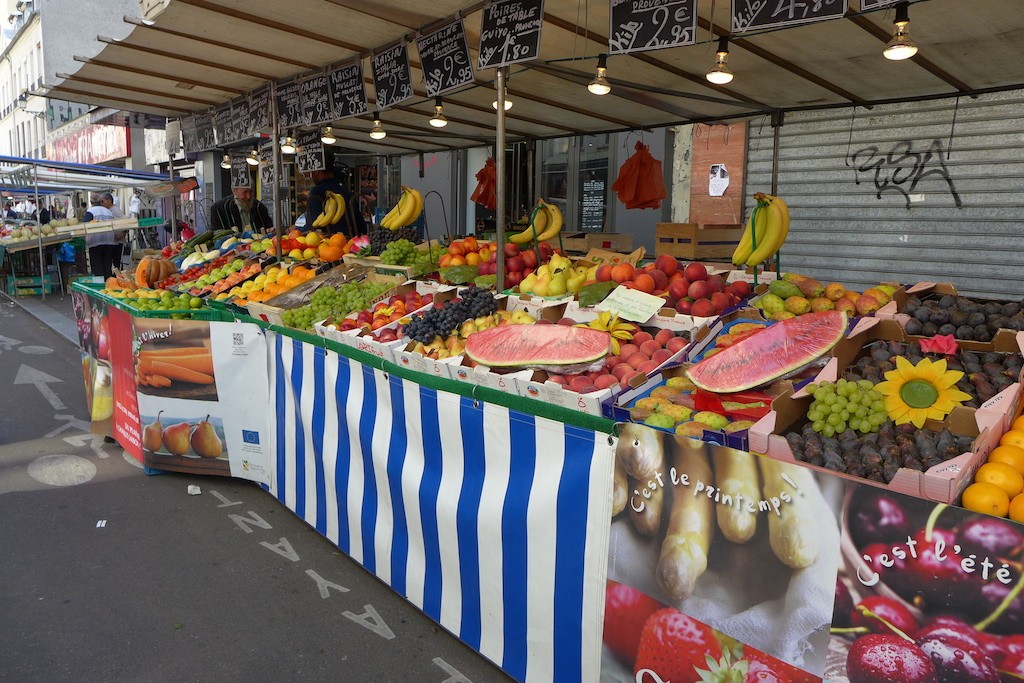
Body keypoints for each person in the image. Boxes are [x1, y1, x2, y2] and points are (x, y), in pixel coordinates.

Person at [304, 157, 365, 236]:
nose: (311, 176)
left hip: (326, 245)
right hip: (348, 244)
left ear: (318, 171)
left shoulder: (316, 193)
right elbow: (362, 228)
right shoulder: (347, 193)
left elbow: (312, 226)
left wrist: (297, 229)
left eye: (312, 172)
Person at [83, 194, 118, 278]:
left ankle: (100, 286)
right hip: (109, 241)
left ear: (91, 202)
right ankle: (109, 284)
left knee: (97, 267)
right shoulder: (108, 211)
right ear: (100, 201)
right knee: (107, 266)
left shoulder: (90, 212)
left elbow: (85, 226)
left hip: (95, 242)